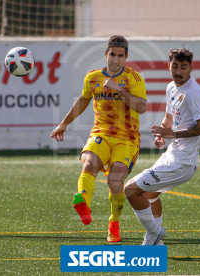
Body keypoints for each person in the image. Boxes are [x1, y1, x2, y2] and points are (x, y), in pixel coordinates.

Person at [50, 35, 147, 243]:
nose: (115, 59)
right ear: (106, 54)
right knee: (88, 164)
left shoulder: (133, 78)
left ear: (126, 57)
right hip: (100, 133)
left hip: (127, 139)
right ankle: (83, 201)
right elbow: (84, 99)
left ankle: (114, 223)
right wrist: (64, 123)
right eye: (112, 54)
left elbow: (141, 107)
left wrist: (118, 89)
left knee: (114, 182)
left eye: (120, 56)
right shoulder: (92, 77)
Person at [124, 48, 200, 245]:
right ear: (169, 65)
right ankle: (155, 243)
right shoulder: (171, 87)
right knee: (149, 194)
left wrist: (173, 134)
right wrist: (163, 135)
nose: (178, 71)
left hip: (183, 163)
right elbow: (170, 117)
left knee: (130, 190)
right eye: (175, 66)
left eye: (183, 67)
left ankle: (154, 233)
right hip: (172, 155)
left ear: (191, 68)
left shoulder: (193, 92)